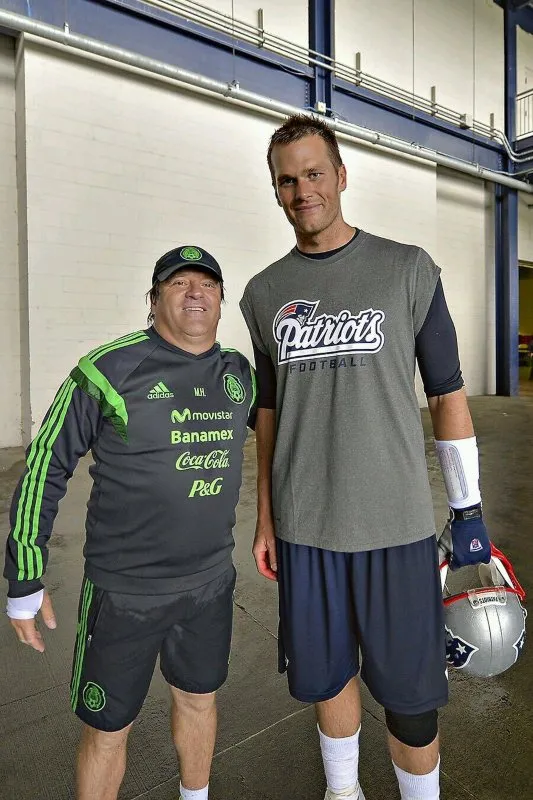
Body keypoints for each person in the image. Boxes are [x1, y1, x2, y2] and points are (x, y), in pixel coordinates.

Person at [239, 115, 491, 800]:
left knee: (411, 701)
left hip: (395, 527)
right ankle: (342, 791)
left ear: (341, 176)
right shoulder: (262, 294)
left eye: (313, 173)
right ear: (276, 191)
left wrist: (466, 504)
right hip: (305, 527)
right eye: (286, 180)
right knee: (326, 678)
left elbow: (447, 393)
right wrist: (264, 518)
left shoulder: (406, 269)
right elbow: (267, 414)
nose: (302, 190)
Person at [5, 245, 256, 800]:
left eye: (207, 285)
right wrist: (25, 573)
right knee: (107, 728)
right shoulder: (107, 369)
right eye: (178, 283)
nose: (196, 293)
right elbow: (46, 463)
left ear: (220, 302)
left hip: (210, 584)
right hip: (125, 592)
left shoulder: (240, 373)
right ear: (153, 300)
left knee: (198, 699)